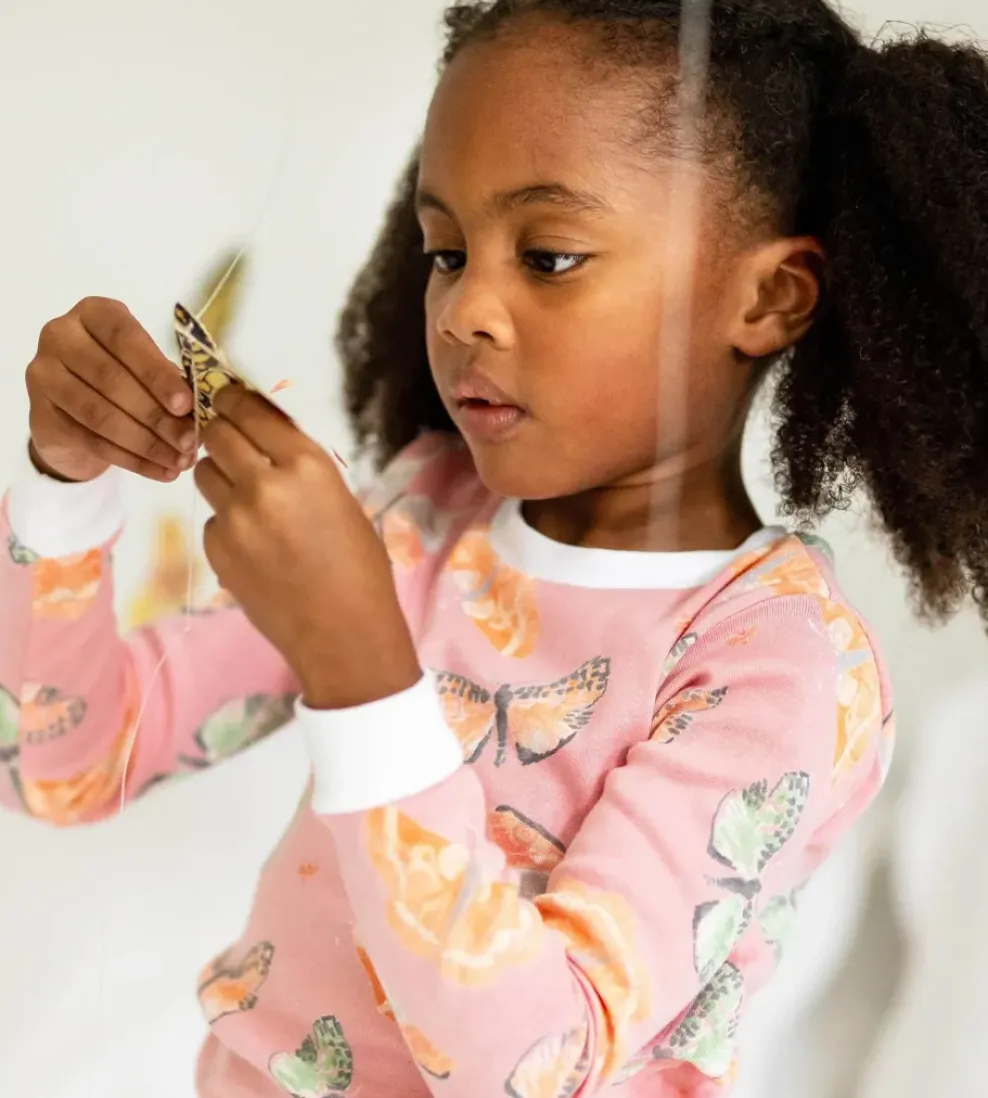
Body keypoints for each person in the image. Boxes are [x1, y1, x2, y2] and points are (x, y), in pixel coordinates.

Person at [2, 1, 985, 1094]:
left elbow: (531, 1065)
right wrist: (64, 488)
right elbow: (55, 766)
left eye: (549, 256)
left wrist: (361, 669)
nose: (464, 309)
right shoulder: (419, 521)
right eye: (447, 252)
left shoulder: (783, 666)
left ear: (767, 298)